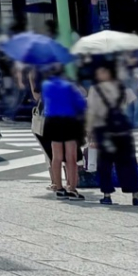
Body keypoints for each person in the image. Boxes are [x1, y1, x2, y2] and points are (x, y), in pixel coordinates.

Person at [85, 60, 138, 206]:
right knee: (128, 162)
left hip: (103, 129)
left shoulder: (96, 89)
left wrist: (89, 131)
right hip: (122, 129)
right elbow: (132, 102)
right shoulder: (122, 87)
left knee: (105, 163)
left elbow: (92, 112)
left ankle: (107, 195)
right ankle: (135, 195)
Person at [39, 63, 86, 199]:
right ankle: (72, 188)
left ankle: (59, 187)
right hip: (69, 120)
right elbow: (81, 103)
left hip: (52, 120)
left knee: (56, 156)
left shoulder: (46, 85)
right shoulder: (69, 86)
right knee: (71, 156)